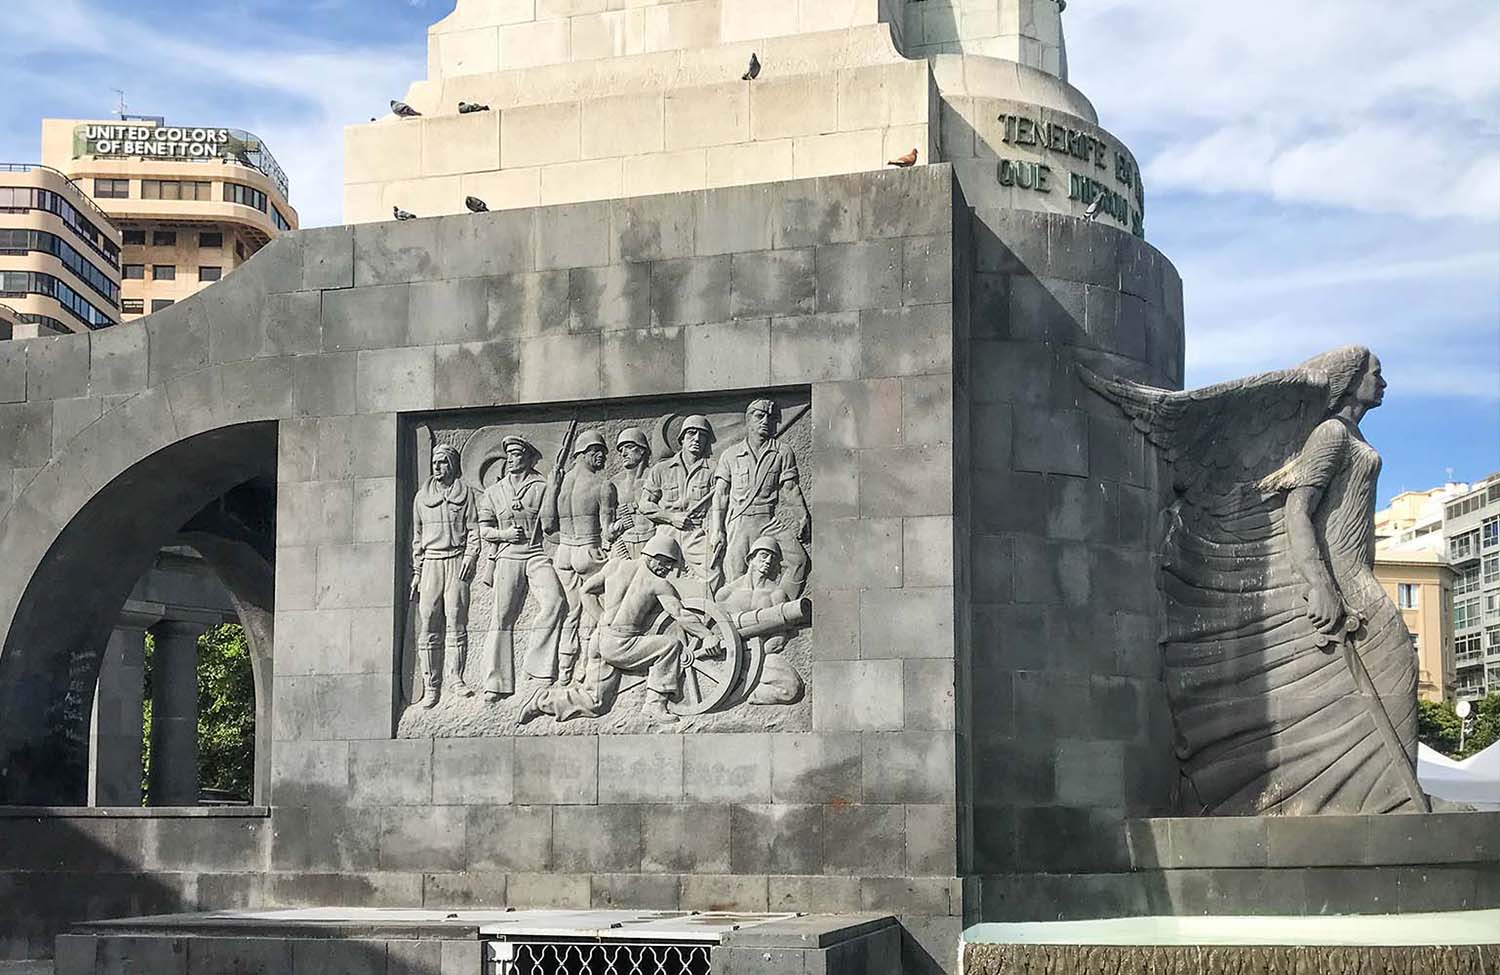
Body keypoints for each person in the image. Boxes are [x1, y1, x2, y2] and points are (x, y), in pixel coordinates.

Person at [574, 534, 721, 724]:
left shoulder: (615, 565)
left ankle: (540, 702)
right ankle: (654, 703)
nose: (668, 569)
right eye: (667, 563)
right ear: (653, 555)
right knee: (670, 645)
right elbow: (680, 614)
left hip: (600, 639)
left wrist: (601, 618)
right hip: (622, 644)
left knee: (595, 703)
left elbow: (585, 590)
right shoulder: (658, 584)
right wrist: (707, 635)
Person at [476, 435, 566, 703]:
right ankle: (495, 682)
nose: (512, 459)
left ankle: (538, 670)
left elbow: (550, 525)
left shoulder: (540, 486)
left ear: (528, 458)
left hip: (535, 553)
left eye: (518, 454)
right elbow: (484, 530)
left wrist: (553, 489)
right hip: (508, 554)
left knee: (556, 602)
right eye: (510, 455)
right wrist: (504, 535)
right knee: (502, 617)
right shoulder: (493, 492)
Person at [707, 399, 810, 595]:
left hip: (768, 520)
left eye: (770, 418)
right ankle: (742, 618)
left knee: (799, 560)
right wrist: (717, 530)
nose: (765, 421)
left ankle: (779, 610)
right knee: (736, 574)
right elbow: (720, 494)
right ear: (748, 420)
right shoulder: (730, 455)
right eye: (759, 416)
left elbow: (790, 487)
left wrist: (802, 515)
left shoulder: (782, 452)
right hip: (740, 522)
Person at [408, 444, 480, 708]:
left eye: (443, 462)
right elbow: (416, 538)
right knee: (428, 619)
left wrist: (471, 556)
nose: (437, 467)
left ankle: (456, 679)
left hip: (457, 560)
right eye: (434, 463)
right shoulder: (421, 498)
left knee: (456, 618)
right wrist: (416, 571)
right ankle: (431, 685)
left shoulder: (466, 494)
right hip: (432, 563)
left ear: (453, 465)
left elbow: (474, 529)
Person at [547, 429, 616, 684]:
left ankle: (564, 669)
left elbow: (547, 526)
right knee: (593, 612)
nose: (603, 457)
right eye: (598, 452)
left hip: (563, 553)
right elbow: (608, 531)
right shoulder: (602, 485)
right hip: (588, 551)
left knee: (571, 612)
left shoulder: (558, 484)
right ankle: (585, 666)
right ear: (584, 453)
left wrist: (551, 488)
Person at [715, 536, 803, 705]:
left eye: (773, 558)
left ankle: (744, 693)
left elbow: (780, 636)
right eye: (763, 555)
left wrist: (758, 655)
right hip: (728, 655)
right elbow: (715, 628)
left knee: (791, 690)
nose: (768, 561)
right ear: (751, 559)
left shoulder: (776, 595)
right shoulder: (726, 594)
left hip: (761, 654)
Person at [639, 414, 716, 581]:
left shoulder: (713, 471)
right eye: (691, 433)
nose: (696, 439)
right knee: (648, 576)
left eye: (702, 435)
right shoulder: (661, 469)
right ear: (682, 439)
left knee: (713, 573)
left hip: (697, 532)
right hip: (667, 531)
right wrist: (671, 517)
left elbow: (719, 506)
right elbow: (644, 505)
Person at [609, 427, 655, 561]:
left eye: (628, 447)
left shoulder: (654, 476)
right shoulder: (615, 483)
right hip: (623, 545)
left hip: (650, 544)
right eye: (621, 449)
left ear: (642, 450)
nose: (623, 453)